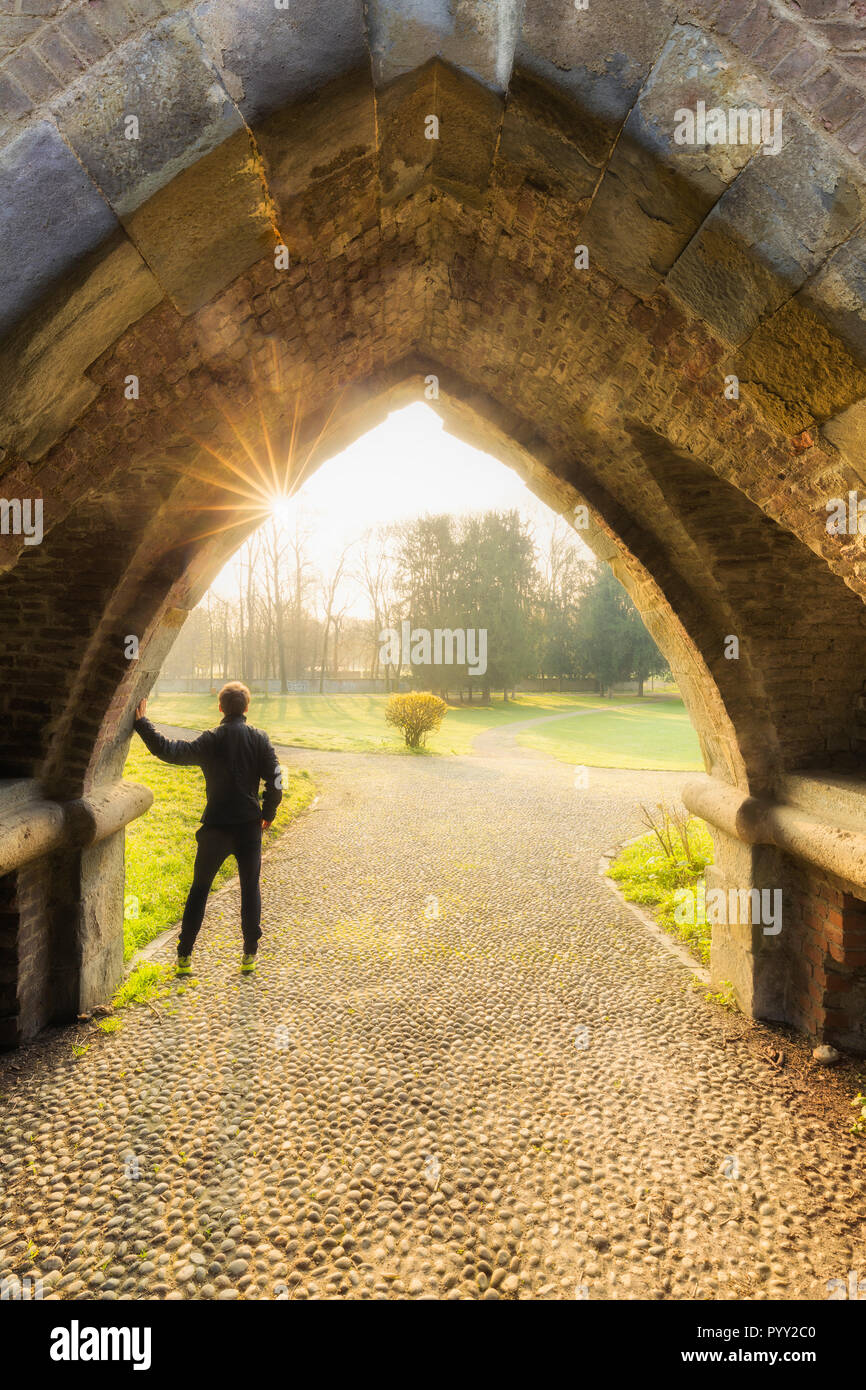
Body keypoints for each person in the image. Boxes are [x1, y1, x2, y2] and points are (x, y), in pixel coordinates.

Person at [133, 681, 282, 976]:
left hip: (215, 826)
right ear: (247, 708)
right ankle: (249, 955)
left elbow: (171, 751)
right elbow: (276, 779)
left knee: (199, 889)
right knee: (250, 889)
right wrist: (268, 812)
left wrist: (142, 724)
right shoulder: (260, 739)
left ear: (220, 707)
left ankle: (184, 957)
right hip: (249, 827)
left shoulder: (211, 739)